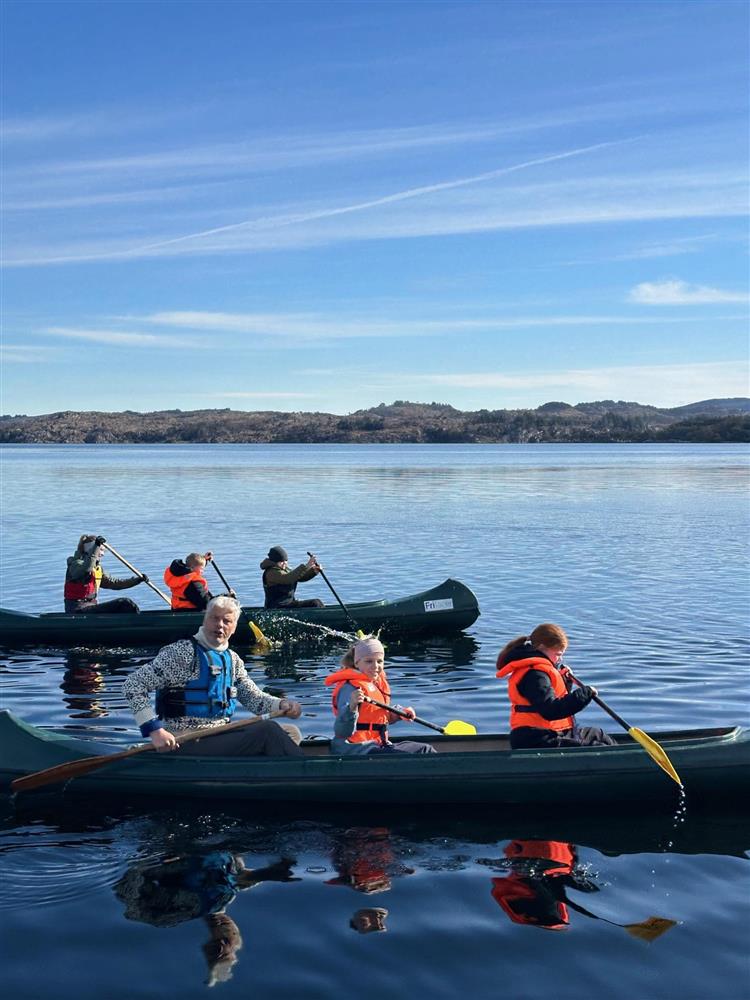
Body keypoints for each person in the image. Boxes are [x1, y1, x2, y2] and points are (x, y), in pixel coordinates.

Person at [122, 595, 304, 757]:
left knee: (291, 732)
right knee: (267, 731)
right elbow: (133, 685)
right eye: (214, 618)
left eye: (227, 621)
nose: (220, 625)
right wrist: (155, 731)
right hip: (184, 738)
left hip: (218, 732)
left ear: (233, 628)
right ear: (205, 620)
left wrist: (281, 704)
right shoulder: (184, 652)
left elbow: (253, 698)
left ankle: (255, 775)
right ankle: (303, 776)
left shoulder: (232, 659)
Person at [496, 623, 616, 750]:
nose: (560, 659)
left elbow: (552, 699)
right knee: (598, 746)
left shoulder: (540, 671)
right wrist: (584, 694)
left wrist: (565, 682)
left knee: (598, 734)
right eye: (558, 654)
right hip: (536, 739)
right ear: (542, 648)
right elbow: (551, 710)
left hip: (550, 732)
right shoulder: (534, 675)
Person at [324, 636, 437, 754]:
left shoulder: (375, 684)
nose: (375, 666)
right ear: (357, 663)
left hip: (377, 745)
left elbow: (378, 717)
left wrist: (399, 714)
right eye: (369, 661)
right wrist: (351, 708)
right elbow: (342, 731)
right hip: (355, 750)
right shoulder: (349, 688)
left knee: (425, 750)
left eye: (379, 661)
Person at [64, 534, 148, 613]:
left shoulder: (97, 569)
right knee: (124, 603)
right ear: (91, 550)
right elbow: (86, 568)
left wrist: (137, 580)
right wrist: (96, 546)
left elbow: (115, 584)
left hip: (91, 607)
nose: (102, 554)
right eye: (100, 550)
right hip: (77, 610)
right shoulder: (75, 564)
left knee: (126, 606)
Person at [260, 546, 324, 609]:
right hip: (276, 607)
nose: (284, 563)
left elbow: (299, 577)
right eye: (281, 561)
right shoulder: (271, 572)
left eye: (286, 560)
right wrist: (307, 566)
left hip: (288, 605)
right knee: (315, 603)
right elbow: (288, 578)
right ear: (275, 562)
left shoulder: (285, 569)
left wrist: (314, 571)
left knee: (316, 603)